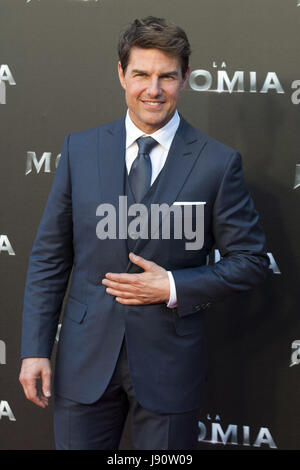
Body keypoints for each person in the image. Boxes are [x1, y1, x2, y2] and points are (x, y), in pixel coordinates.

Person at [19, 16, 269, 450]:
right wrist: (35, 348)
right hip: (83, 359)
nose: (153, 90)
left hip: (170, 365)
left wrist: (172, 285)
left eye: (166, 77)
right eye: (141, 75)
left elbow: (250, 262)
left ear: (185, 78)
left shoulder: (217, 163)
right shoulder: (80, 149)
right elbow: (49, 257)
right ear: (121, 74)